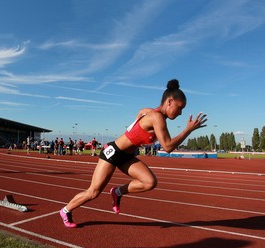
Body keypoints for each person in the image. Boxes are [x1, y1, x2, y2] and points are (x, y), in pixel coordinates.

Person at [59, 79, 207, 228]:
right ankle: (65, 210)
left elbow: (141, 111)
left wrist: (135, 125)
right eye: (179, 108)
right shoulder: (157, 117)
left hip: (126, 156)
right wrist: (188, 130)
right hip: (113, 153)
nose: (181, 113)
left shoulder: (152, 113)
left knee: (149, 182)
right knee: (93, 192)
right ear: (169, 102)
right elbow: (167, 147)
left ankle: (117, 192)